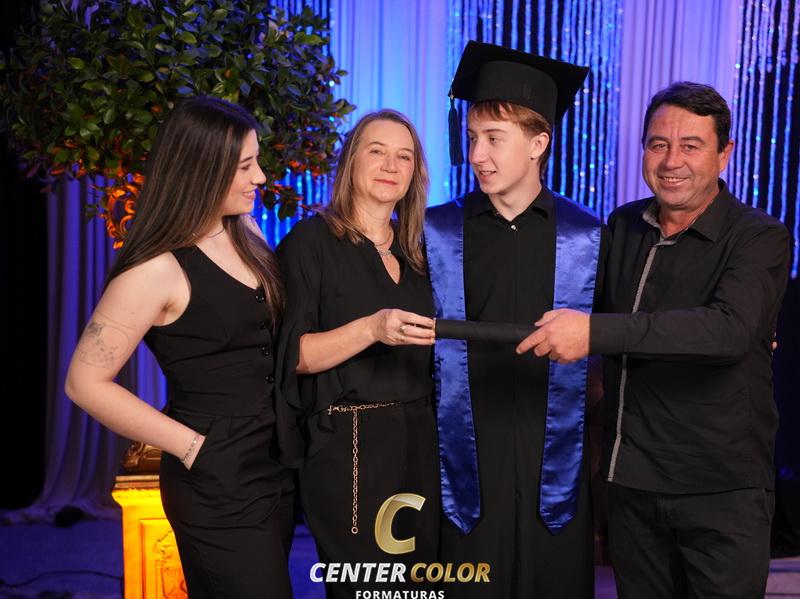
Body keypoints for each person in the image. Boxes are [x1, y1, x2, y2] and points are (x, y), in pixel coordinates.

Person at [517, 82, 792, 598]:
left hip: (722, 491)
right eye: (657, 144)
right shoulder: (624, 225)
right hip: (632, 485)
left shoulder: (759, 236)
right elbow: (567, 295)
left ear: (724, 154)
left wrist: (595, 332)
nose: (671, 161)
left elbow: (727, 330)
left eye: (691, 145)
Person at [64, 96, 294, 598]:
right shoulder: (154, 270)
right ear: (202, 169)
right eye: (245, 166)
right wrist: (194, 449)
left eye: (257, 162)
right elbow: (83, 383)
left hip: (272, 467)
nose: (259, 177)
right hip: (215, 480)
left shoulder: (245, 230)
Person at [424, 41, 605, 598]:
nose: (478, 154)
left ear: (538, 143)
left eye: (494, 138)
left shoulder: (589, 236)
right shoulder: (435, 231)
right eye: (472, 138)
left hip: (556, 455)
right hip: (463, 454)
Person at [276, 109, 439, 598]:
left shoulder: (421, 251)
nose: (391, 165)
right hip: (349, 446)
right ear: (350, 161)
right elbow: (293, 356)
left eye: (404, 157)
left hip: (419, 439)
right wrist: (371, 328)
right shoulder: (311, 242)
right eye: (377, 151)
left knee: (418, 585)